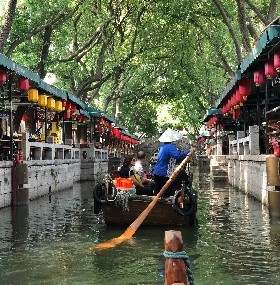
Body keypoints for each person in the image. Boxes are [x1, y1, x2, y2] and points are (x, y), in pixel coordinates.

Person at [153, 128, 195, 195]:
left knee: (157, 191)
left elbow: (175, 158)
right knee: (166, 192)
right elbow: (178, 156)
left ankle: (157, 204)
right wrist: (188, 151)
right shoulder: (170, 146)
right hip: (164, 173)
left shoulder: (163, 146)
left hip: (156, 172)